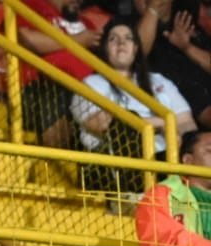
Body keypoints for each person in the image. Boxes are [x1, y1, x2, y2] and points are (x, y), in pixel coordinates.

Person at [70, 18, 195, 193]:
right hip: (112, 164)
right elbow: (99, 124)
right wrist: (161, 123)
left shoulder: (159, 81)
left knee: (201, 144)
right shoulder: (91, 84)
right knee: (125, 123)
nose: (121, 42)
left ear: (136, 48)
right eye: (113, 39)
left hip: (163, 159)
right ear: (105, 49)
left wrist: (186, 139)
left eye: (128, 38)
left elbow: (187, 124)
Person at [17, 0, 105, 149]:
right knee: (53, 91)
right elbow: (27, 40)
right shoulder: (33, 6)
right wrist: (77, 40)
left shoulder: (87, 24)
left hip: (86, 90)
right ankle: (57, 164)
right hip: (43, 86)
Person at [138, 0, 211, 130]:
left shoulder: (186, 21)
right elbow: (135, 53)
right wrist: (153, 9)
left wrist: (187, 48)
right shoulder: (128, 25)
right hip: (185, 121)